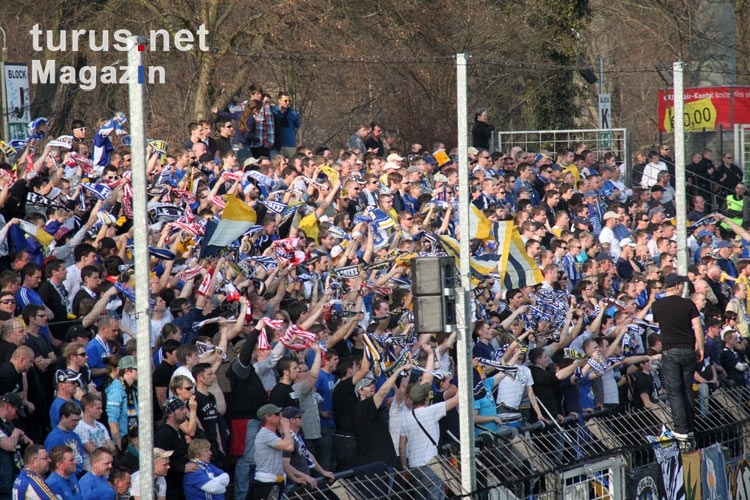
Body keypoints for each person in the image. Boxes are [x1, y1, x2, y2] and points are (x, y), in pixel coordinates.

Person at [651, 273, 703, 452]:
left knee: (674, 390)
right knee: (687, 388)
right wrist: (700, 347)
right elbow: (697, 327)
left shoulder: (657, 306)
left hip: (670, 350)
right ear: (677, 285)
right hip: (688, 350)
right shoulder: (688, 304)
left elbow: (659, 324)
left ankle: (681, 429)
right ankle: (689, 426)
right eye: (682, 284)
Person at [248, 403, 294, 500]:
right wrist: (286, 428)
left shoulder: (272, 434)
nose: (280, 416)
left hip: (275, 482)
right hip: (265, 484)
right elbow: (289, 447)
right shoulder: (264, 434)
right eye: (277, 414)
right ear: (268, 417)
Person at [105, 355, 139, 451]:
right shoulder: (116, 388)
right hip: (124, 442)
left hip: (135, 440)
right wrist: (120, 446)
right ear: (128, 371)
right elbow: (112, 420)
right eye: (137, 369)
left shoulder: (133, 388)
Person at [0, 392, 29, 500]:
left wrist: (23, 439)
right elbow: (8, 445)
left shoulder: (8, 424)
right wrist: (17, 432)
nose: (17, 417)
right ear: (7, 407)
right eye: (16, 412)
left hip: (11, 479)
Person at [44, 402, 85, 475]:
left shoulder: (75, 436)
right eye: (73, 420)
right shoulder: (54, 438)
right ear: (63, 418)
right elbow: (53, 465)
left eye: (78, 420)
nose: (77, 423)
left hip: (78, 474)